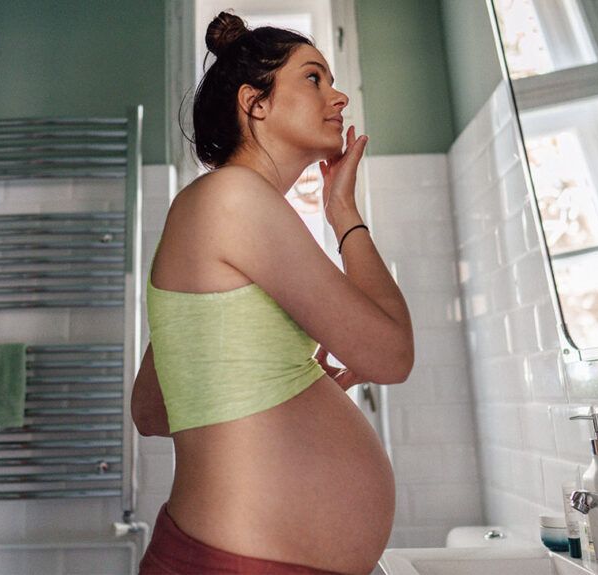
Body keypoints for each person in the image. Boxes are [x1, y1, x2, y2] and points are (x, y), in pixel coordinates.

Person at [131, 11, 414, 575]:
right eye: (314, 78)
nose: (339, 97)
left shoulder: (219, 204)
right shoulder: (234, 196)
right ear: (254, 102)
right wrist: (343, 212)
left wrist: (273, 374)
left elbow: (153, 408)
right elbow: (391, 355)